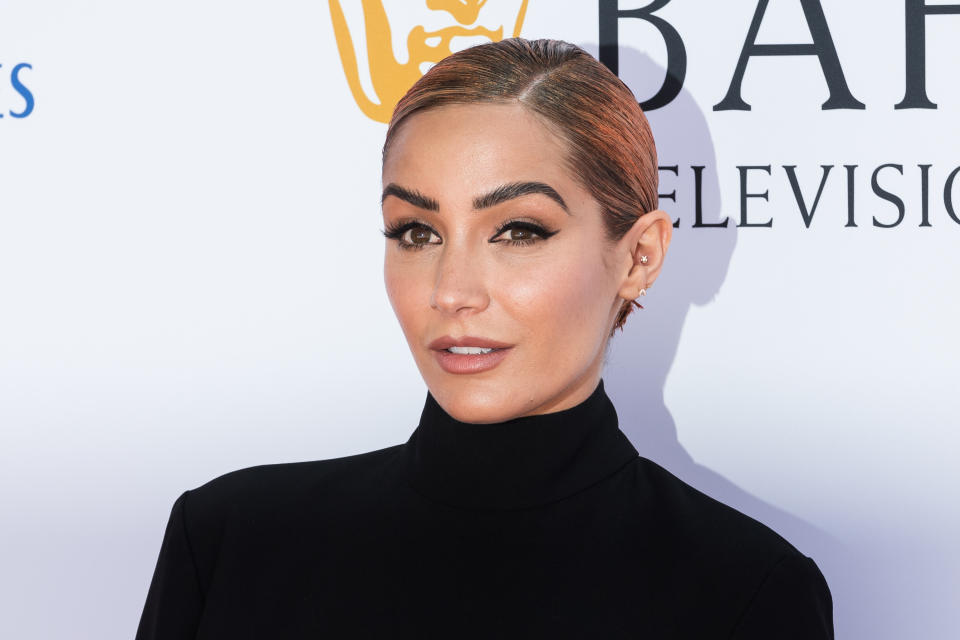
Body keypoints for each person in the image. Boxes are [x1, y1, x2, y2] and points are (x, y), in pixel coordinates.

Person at [135, 38, 833, 639]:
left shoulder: (746, 591)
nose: (451, 290)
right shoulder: (230, 542)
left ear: (639, 256)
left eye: (518, 231)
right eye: (417, 231)